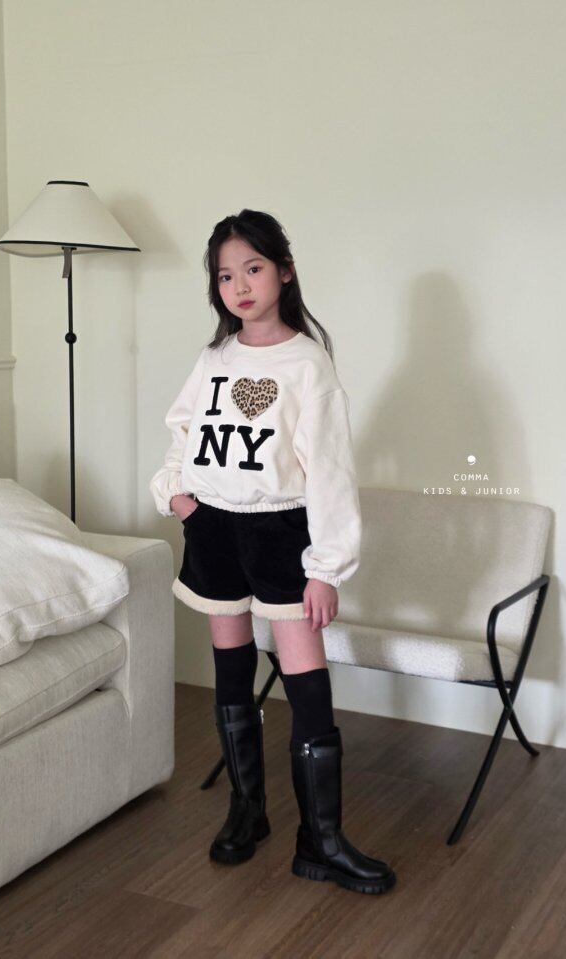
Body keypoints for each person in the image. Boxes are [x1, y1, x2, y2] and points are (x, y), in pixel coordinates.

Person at [149, 209, 396, 896]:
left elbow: (330, 470)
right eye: (225, 275)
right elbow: (183, 431)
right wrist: (177, 496)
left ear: (284, 271)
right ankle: (247, 808)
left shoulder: (308, 364)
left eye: (252, 268)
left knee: (305, 679)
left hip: (282, 532)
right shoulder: (215, 359)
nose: (239, 286)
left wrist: (326, 565)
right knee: (230, 668)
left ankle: (322, 839)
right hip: (213, 527)